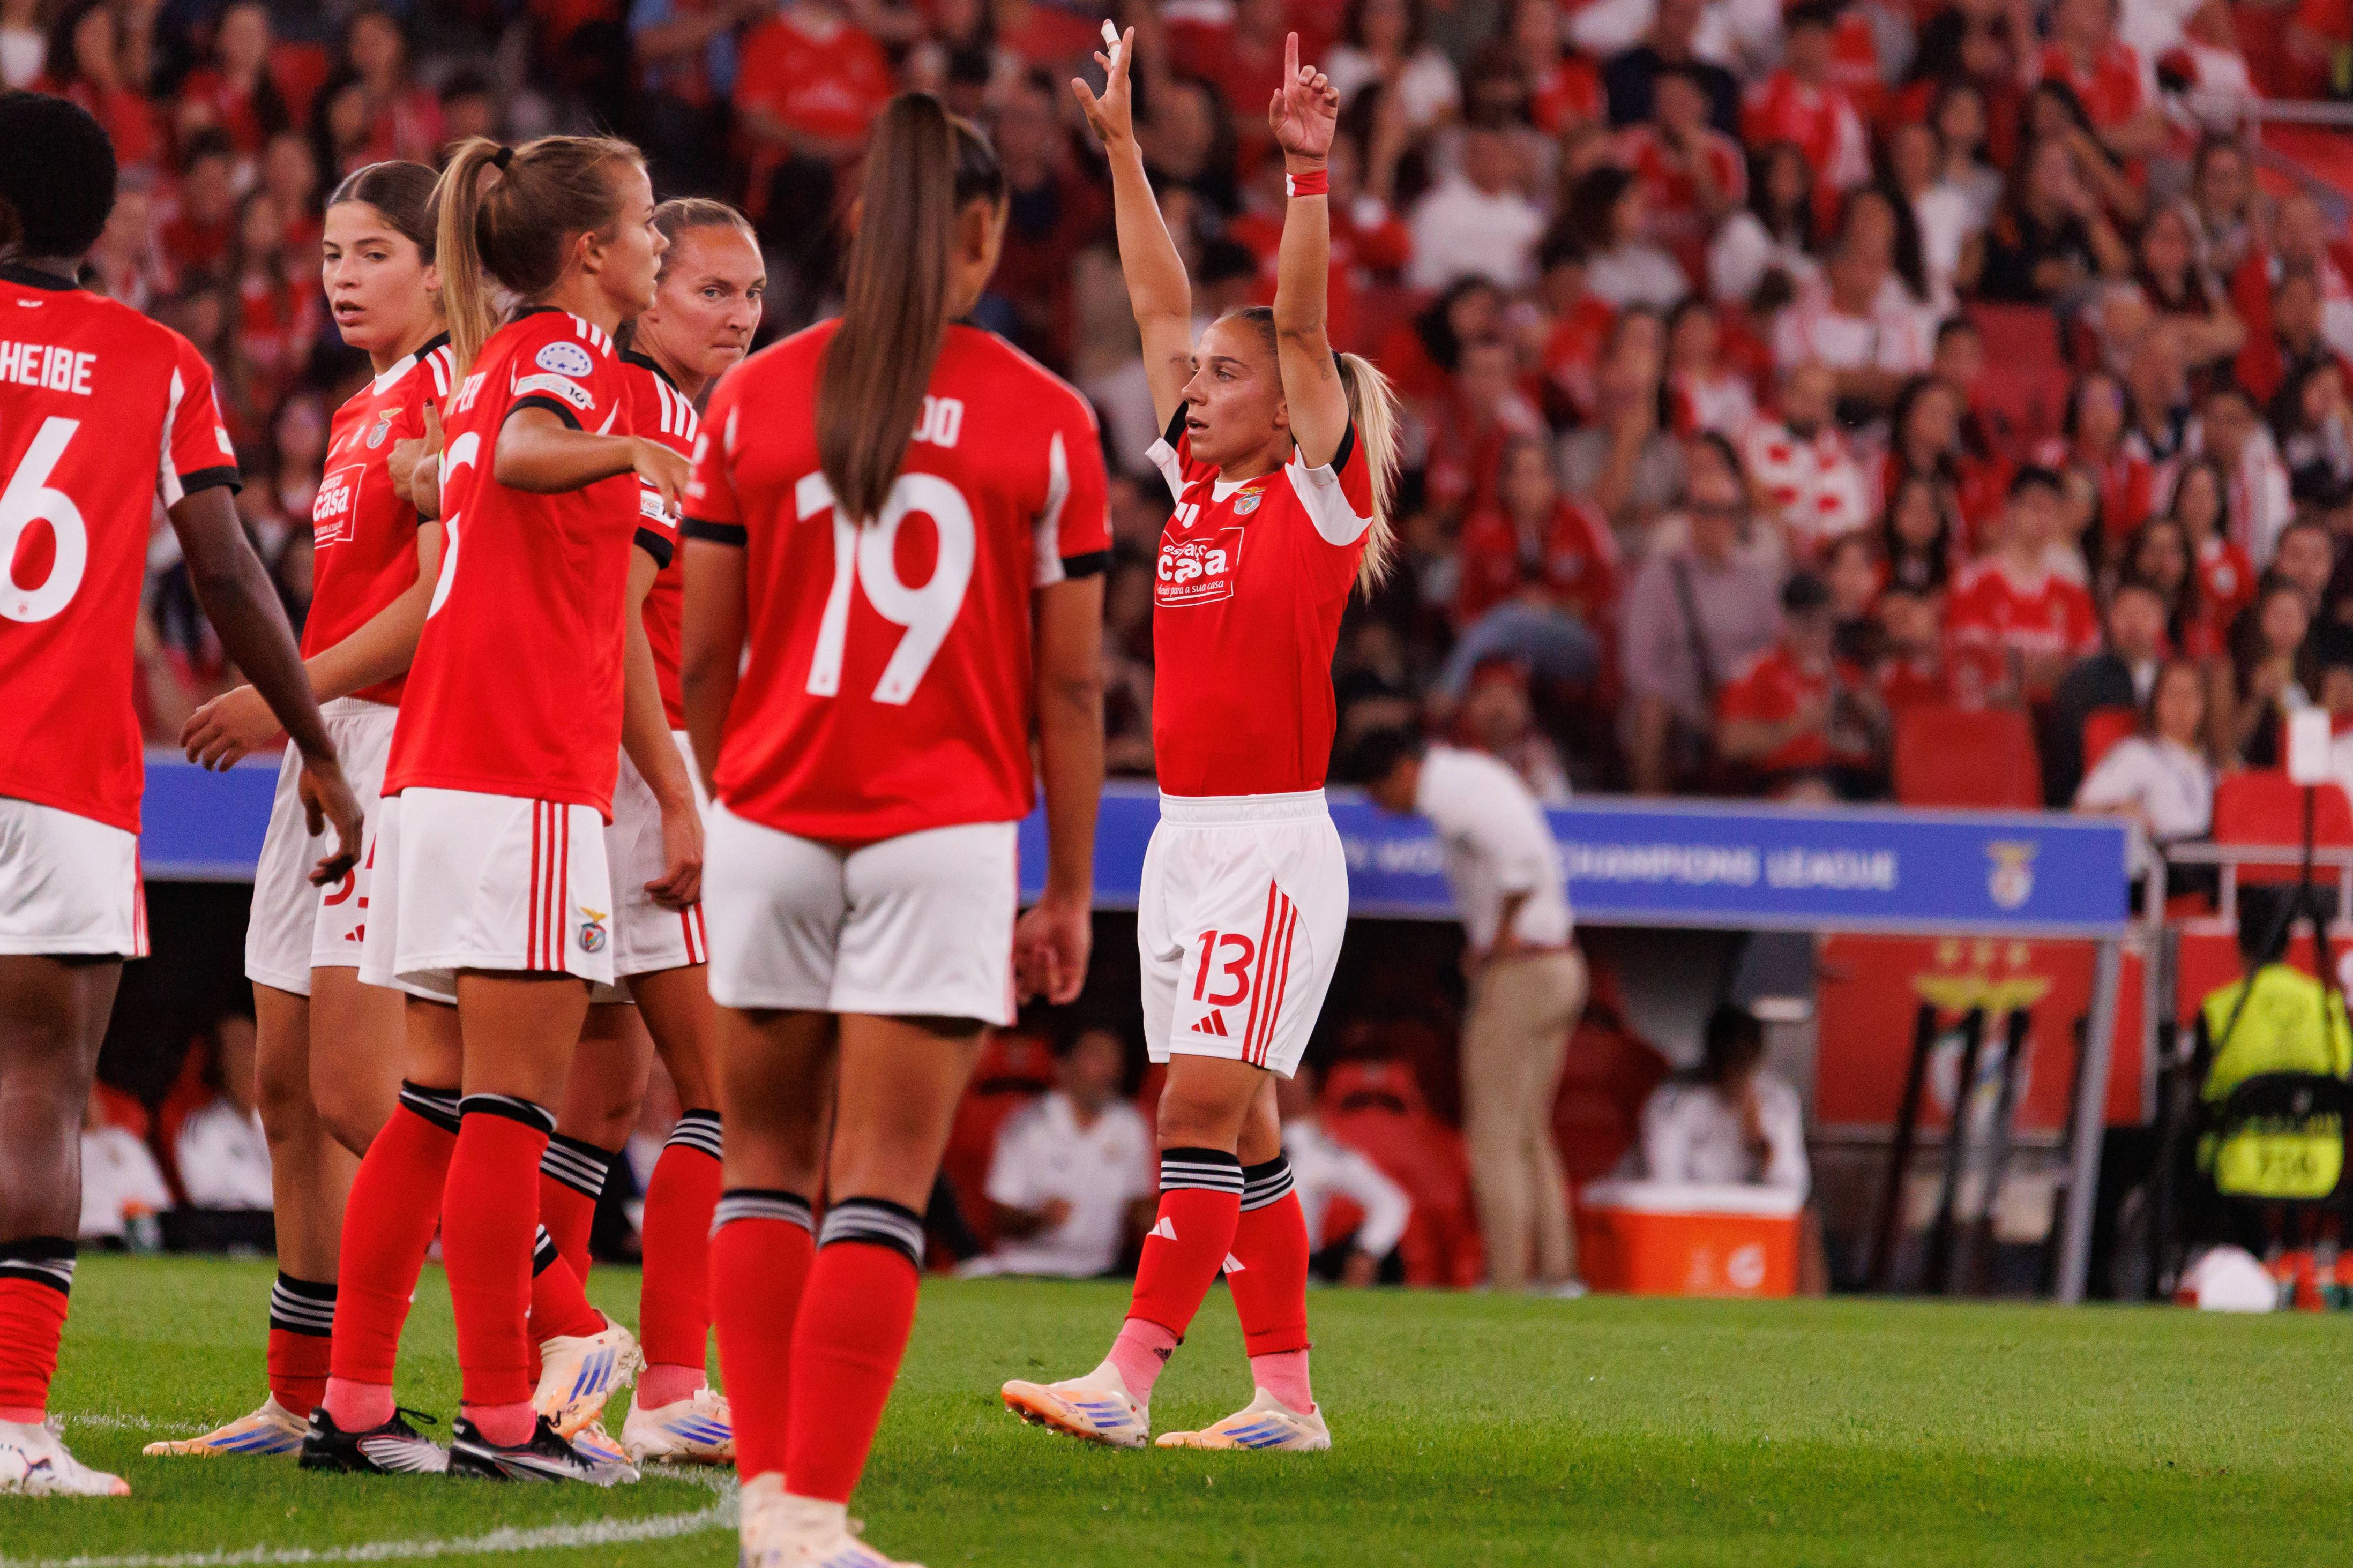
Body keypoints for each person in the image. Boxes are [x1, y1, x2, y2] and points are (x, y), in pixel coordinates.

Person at [680, 92, 1108, 1566]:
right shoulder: (1048, 419)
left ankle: (761, 1502)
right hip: (942, 828)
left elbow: (704, 659)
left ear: (863, 219)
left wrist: (713, 799)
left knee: (758, 1162)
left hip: (767, 812)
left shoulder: (754, 398)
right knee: (872, 1180)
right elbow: (1070, 683)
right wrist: (1065, 887)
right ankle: (807, 1515)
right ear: (981, 231)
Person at [1000, 32, 1400, 1459]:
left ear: (1290, 404)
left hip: (1270, 844)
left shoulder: (1311, 500)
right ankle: (1284, 1398)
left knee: (1197, 1100)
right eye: (1195, 378)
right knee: (1241, 1128)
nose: (1193, 385)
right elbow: (1162, 297)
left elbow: (1290, 332)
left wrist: (1306, 179)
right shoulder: (1198, 493)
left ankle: (1127, 1369)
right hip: (1182, 834)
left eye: (1220, 376)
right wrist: (1118, 149)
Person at [302, 132, 686, 1486]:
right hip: (520, 771)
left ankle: (352, 1403)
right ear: (589, 252)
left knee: (435, 1103)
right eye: (645, 225)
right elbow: (529, 452)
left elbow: (486, 461)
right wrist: (625, 444)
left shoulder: (483, 362)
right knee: (510, 1114)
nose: (658, 245)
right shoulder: (572, 359)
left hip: (440, 770)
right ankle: (508, 1420)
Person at [0, 89, 362, 1498]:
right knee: (36, 1096)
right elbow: (222, 571)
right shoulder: (153, 361)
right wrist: (313, 742)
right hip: (59, 785)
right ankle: (16, 1425)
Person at [147, 161, 451, 1461]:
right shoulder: (357, 413)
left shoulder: (452, 394)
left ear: (443, 271)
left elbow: (437, 607)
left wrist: (285, 694)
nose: (340, 275)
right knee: (282, 1087)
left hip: (384, 747)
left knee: (355, 1095)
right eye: (331, 251)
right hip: (322, 747)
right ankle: (301, 1391)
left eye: (373, 251)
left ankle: (551, 1321)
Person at [540, 197, 766, 1469]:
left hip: (616, 759)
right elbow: (617, 615)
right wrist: (679, 791)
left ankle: (545, 1372)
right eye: (710, 291)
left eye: (749, 293)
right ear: (649, 288)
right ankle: (672, 1385)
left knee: (605, 1089)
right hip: (647, 759)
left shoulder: (622, 403)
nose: (736, 315)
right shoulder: (658, 416)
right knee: (724, 1089)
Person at [1356, 729, 1584, 1292]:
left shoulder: (1454, 789)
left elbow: (1523, 864)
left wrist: (1498, 936)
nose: (1384, 808)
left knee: (1492, 1135)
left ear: (1405, 768)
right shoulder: (1469, 778)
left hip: (1523, 971)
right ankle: (1556, 1272)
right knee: (1529, 1128)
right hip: (1558, 963)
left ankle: (1508, 1278)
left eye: (1380, 791)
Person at [970, 1029, 1156, 1278]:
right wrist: (1038, 1219)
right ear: (1063, 1067)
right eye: (1096, 1058)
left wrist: (1165, 1225)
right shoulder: (1029, 1125)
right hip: (1027, 1269)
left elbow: (1139, 1205)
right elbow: (1000, 1218)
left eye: (1115, 1060)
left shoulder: (1130, 1125)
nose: (1108, 1071)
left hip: (1101, 1273)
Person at [1638, 1004, 1809, 1195]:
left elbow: (1793, 1188)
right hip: (1690, 1214)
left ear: (1757, 1060)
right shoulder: (1673, 1101)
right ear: (1710, 1057)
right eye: (1727, 1059)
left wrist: (1762, 1147)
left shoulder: (1777, 1102)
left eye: (1742, 1061)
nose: (1733, 1073)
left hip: (1753, 1217)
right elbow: (1663, 1181)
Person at [2076, 659, 2214, 884]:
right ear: (2155, 702)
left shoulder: (2211, 763)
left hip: (2209, 854)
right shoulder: (2136, 754)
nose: (2182, 704)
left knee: (2275, 886)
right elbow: (2081, 810)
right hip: (2158, 861)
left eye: (2190, 695)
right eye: (2173, 694)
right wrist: (2117, 809)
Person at [1273, 1064, 1411, 1284]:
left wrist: (1366, 1251)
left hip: (1293, 1275)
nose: (1278, 1091)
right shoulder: (1228, 1139)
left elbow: (1392, 1202)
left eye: (1282, 1086)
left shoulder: (1318, 1151)